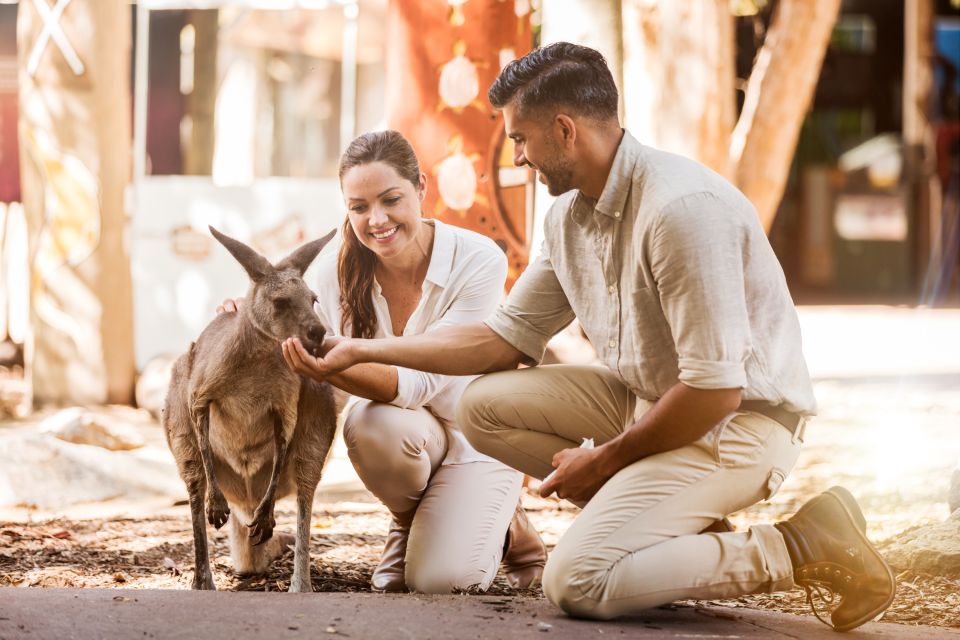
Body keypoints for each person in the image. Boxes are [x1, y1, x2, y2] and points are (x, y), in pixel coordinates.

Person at [283, 43, 895, 631]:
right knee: (483, 406)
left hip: (742, 427)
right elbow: (499, 340)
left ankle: (801, 545)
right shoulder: (569, 217)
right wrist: (363, 349)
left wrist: (605, 459)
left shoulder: (680, 211)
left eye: (520, 138)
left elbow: (715, 394)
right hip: (651, 402)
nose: (517, 156)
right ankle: (678, 529)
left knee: (577, 582)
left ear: (565, 130)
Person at [227, 129, 547, 594]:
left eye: (390, 200)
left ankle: (506, 521)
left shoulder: (477, 260)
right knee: (371, 425)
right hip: (407, 436)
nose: (376, 220)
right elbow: (287, 314)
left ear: (421, 189)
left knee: (441, 583)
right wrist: (245, 317)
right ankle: (410, 516)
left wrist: (342, 359)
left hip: (477, 434)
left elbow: (418, 384)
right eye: (359, 207)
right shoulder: (335, 273)